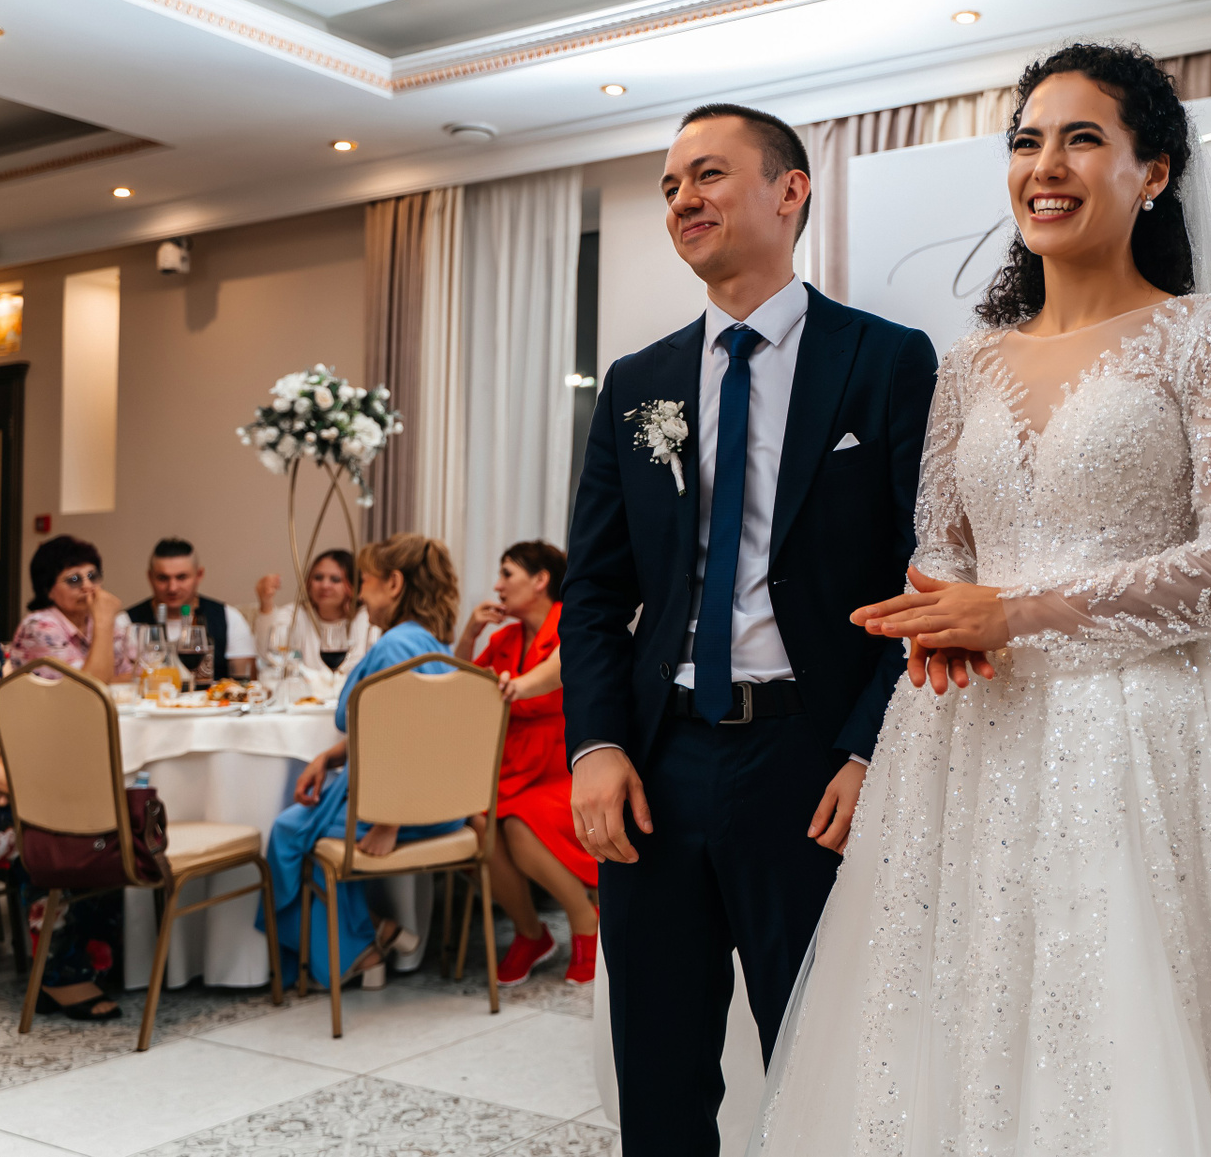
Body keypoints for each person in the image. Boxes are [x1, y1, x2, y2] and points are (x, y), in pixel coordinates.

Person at [746, 45, 1211, 1154]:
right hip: (969, 740)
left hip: (1150, 734)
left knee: (1128, 1024)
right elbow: (942, 549)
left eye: (1083, 139)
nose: (1047, 165)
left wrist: (1015, 612)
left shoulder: (1205, 334)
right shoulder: (969, 364)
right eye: (1028, 141)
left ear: (1153, 172)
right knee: (962, 1028)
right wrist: (938, 621)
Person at [561, 102, 937, 1153]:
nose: (683, 198)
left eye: (709, 174)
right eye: (670, 185)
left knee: (828, 1070)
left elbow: (928, 576)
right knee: (659, 1074)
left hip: (811, 765)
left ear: (789, 190)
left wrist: (869, 750)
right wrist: (596, 745)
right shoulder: (638, 386)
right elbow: (593, 590)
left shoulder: (886, 361)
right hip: (658, 761)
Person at [258, 533, 462, 989]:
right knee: (300, 827)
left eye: (364, 581)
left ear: (394, 584)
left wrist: (390, 819)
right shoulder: (433, 644)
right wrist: (329, 756)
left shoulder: (391, 649)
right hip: (445, 805)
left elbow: (410, 738)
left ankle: (357, 948)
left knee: (288, 835)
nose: (359, 593)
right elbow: (393, 728)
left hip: (406, 808)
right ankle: (370, 943)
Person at [0, 538, 124, 1019]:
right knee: (45, 834)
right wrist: (20, 785)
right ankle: (58, 976)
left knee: (100, 824)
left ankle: (94, 959)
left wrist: (6, 772)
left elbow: (22, 714)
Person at [454, 541, 599, 985]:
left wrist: (515, 686)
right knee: (477, 824)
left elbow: (560, 668)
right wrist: (469, 634)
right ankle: (530, 933)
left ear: (540, 580)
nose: (497, 586)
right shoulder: (504, 639)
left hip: (561, 764)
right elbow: (458, 688)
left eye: (507, 574)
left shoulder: (570, 623)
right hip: (510, 765)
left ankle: (585, 921)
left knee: (518, 823)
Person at [253, 550, 379, 699]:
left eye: (335, 579)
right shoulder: (294, 614)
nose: (325, 585)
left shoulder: (368, 618)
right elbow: (267, 653)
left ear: (353, 585)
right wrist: (266, 604)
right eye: (318, 577)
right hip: (302, 702)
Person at [5, 535, 134, 681]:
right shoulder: (39, 626)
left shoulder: (94, 619)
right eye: (74, 579)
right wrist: (104, 623)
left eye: (92, 576)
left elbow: (135, 675)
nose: (87, 586)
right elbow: (87, 688)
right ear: (48, 590)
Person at [125, 537, 255, 679]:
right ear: (150, 577)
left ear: (199, 575)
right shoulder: (126, 622)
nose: (172, 588)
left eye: (181, 577)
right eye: (163, 578)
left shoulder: (228, 617)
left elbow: (244, 682)